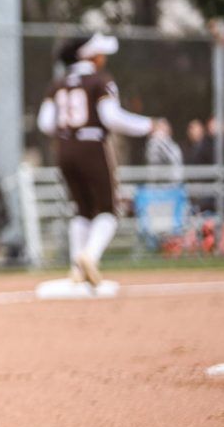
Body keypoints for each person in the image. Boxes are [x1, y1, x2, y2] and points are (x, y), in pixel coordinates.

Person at [37, 33, 157, 285]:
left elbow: (45, 123)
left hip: (64, 148)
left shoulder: (58, 83)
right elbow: (111, 117)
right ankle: (89, 257)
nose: (103, 59)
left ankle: (76, 270)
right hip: (92, 146)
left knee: (82, 210)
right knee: (108, 210)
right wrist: (148, 125)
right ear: (91, 55)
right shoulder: (100, 81)